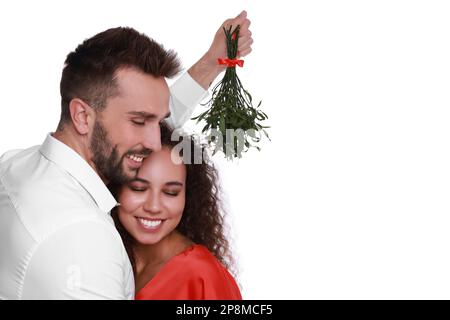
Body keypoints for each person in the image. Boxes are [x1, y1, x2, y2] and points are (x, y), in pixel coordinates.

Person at [0, 11, 253, 300]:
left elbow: (145, 118)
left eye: (156, 122)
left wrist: (211, 62)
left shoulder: (15, 165)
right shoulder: (85, 245)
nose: (156, 143)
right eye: (139, 121)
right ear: (83, 116)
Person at [110, 124, 242, 300]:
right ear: (115, 188)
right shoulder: (106, 255)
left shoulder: (202, 275)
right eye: (139, 189)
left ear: (188, 196)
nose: (154, 207)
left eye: (171, 192)